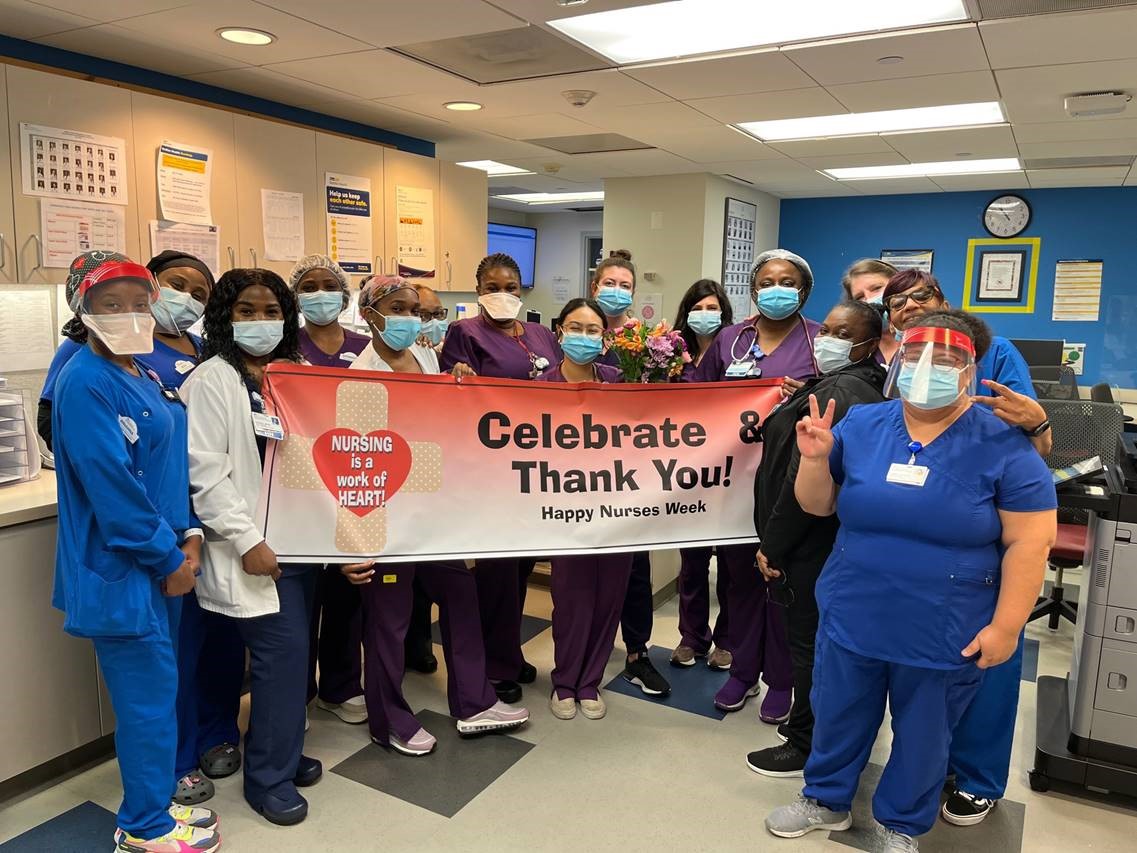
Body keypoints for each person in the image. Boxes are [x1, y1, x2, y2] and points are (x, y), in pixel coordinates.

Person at [765, 312, 1057, 852]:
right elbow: (818, 505)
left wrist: (1007, 626)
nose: (927, 370)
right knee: (838, 711)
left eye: (945, 361)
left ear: (969, 370)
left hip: (944, 620)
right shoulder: (862, 424)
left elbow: (1030, 542)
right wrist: (815, 459)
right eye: (917, 356)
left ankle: (900, 824)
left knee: (924, 732)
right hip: (855, 605)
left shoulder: (1003, 442)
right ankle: (825, 798)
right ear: (898, 358)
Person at [51, 257, 220, 853]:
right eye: (110, 304)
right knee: (147, 705)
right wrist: (167, 559)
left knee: (159, 693)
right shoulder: (84, 381)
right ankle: (143, 829)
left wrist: (190, 535)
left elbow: (165, 467)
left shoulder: (141, 371)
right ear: (82, 310)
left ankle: (155, 803)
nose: (130, 315)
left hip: (163, 558)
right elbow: (113, 491)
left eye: (139, 302)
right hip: (123, 572)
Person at [344, 273, 529, 752]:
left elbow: (442, 418)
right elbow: (351, 460)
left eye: (417, 311)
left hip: (431, 511)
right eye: (399, 310)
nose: (411, 320)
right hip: (385, 517)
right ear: (369, 315)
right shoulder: (358, 374)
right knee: (389, 621)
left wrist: (459, 381)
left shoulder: (425, 356)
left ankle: (473, 701)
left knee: (461, 594)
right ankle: (388, 720)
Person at [182, 269, 321, 827]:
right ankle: (268, 780)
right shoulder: (212, 380)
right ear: (225, 316)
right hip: (254, 546)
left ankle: (282, 747)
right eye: (246, 311)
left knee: (295, 659)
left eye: (271, 311)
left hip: (302, 541)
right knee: (280, 661)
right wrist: (246, 540)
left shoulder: (294, 372)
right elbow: (205, 474)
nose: (261, 322)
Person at [745, 301, 886, 778]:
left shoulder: (843, 391)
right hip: (828, 541)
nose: (826, 339)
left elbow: (797, 481)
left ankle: (805, 744)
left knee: (809, 648)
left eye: (842, 333)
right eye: (825, 329)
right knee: (818, 645)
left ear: (867, 344)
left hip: (810, 542)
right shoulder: (850, 384)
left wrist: (773, 545)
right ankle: (813, 734)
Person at [695, 249, 819, 721]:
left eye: (787, 281)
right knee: (739, 581)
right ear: (753, 289)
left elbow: (838, 402)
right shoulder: (731, 339)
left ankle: (782, 680)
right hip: (733, 480)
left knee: (782, 581)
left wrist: (805, 396)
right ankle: (743, 671)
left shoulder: (819, 341)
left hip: (790, 483)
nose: (776, 289)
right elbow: (696, 399)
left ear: (803, 291)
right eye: (766, 281)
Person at [439, 253, 561, 703]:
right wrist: (458, 377)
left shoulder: (541, 334)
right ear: (478, 291)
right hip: (492, 471)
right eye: (492, 287)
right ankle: (493, 663)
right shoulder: (465, 333)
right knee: (496, 572)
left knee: (521, 568)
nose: (502, 295)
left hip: (537, 466)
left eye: (510, 287)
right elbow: (456, 394)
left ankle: (509, 650)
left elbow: (563, 383)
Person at [535, 298, 634, 720]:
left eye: (593, 330)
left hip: (617, 509)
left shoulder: (620, 381)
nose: (584, 337)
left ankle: (590, 682)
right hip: (566, 511)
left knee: (609, 598)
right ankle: (565, 682)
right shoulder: (539, 386)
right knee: (571, 600)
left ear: (605, 338)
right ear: (560, 332)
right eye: (576, 328)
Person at [288, 254, 371, 728]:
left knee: (348, 594)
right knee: (301, 600)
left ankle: (341, 687)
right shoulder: (284, 347)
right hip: (300, 485)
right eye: (308, 286)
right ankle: (296, 693)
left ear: (344, 295)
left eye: (328, 285)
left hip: (355, 482)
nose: (319, 294)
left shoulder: (366, 347)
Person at [589, 250, 673, 698]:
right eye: (610, 283)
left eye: (625, 285)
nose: (617, 291)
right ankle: (584, 650)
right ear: (594, 286)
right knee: (583, 568)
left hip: (630, 473)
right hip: (577, 474)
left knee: (635, 568)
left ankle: (638, 653)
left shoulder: (647, 343)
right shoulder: (573, 334)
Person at [670, 278, 735, 670]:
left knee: (730, 564)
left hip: (729, 470)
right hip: (685, 471)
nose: (705, 314)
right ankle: (692, 637)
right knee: (692, 562)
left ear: (724, 313)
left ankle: (727, 641)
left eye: (713, 308)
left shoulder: (738, 349)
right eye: (698, 308)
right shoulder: (670, 352)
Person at [842, 258, 899, 363]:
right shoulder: (857, 351)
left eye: (876, 288)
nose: (869, 300)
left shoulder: (925, 338)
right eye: (860, 297)